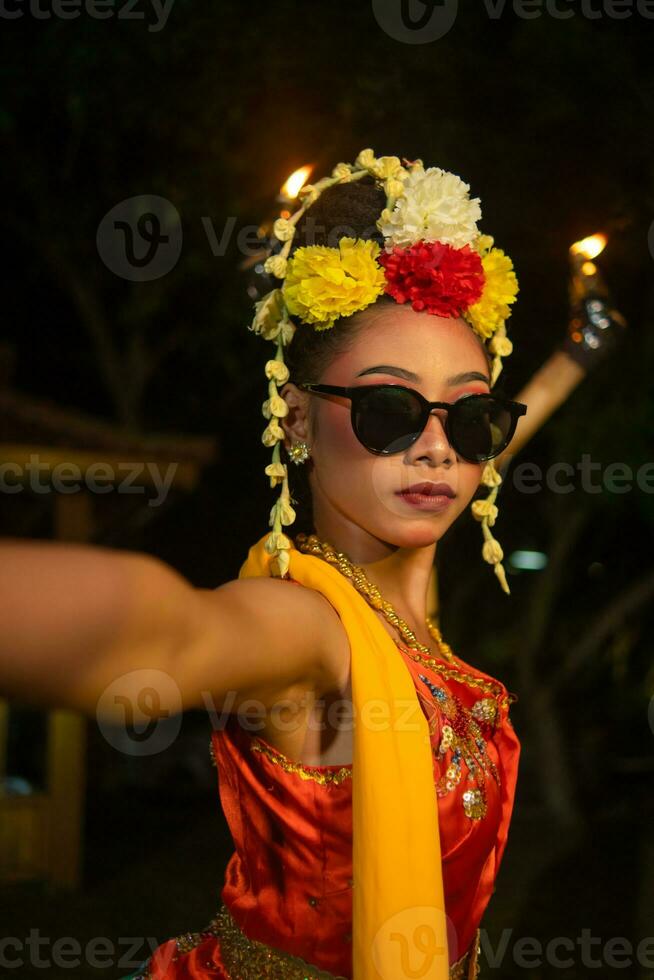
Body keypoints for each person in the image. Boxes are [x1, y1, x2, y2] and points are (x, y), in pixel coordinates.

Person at [0, 149, 621, 980]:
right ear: (295, 420)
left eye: (471, 420)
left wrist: (578, 354)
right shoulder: (314, 630)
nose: (438, 448)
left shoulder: (408, 580)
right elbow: (166, 631)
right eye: (389, 408)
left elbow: (489, 439)